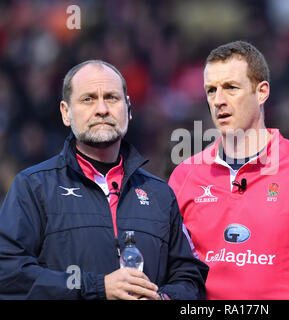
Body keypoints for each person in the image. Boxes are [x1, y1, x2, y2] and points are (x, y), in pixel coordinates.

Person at [168, 40, 289, 299]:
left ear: (262, 92)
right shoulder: (184, 176)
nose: (218, 100)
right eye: (211, 90)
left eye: (230, 88)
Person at [0, 60, 208, 300]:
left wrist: (162, 298)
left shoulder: (160, 193)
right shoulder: (32, 187)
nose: (102, 109)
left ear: (128, 109)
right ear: (66, 113)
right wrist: (97, 287)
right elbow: (8, 275)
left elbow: (190, 278)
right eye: (88, 99)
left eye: (111, 98)